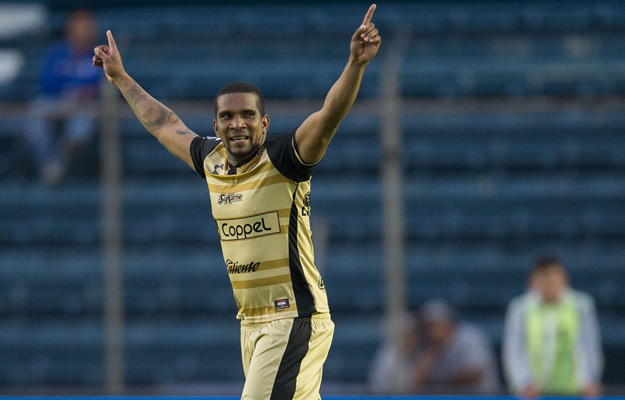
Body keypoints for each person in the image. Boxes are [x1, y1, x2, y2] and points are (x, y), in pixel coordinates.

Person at [92, 5, 380, 399]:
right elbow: (162, 124)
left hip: (292, 317)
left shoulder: (285, 160)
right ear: (216, 126)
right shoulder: (210, 160)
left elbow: (329, 116)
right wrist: (121, 77)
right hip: (250, 323)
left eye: (248, 115)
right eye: (227, 116)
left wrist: (355, 65)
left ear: (264, 123)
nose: (237, 123)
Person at [503, 256, 603, 397]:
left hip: (574, 392)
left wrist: (589, 380)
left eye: (553, 276)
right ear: (533, 281)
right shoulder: (520, 308)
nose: (549, 282)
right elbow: (514, 350)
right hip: (534, 394)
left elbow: (589, 346)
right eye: (543, 277)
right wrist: (524, 383)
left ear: (564, 279)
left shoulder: (581, 305)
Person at [25, 9, 103, 185]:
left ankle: (57, 166)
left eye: (86, 26)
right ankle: (49, 165)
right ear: (69, 28)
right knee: (36, 112)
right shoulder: (57, 52)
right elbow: (46, 82)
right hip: (57, 100)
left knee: (82, 123)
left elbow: (101, 83)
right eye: (78, 25)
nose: (82, 30)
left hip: (85, 104)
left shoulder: (100, 54)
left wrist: (81, 92)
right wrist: (68, 89)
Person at [410, 300, 500, 394]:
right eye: (427, 327)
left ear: (448, 322)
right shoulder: (427, 345)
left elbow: (475, 374)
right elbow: (416, 382)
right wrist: (430, 354)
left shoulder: (469, 337)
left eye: (435, 325)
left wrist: (443, 383)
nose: (431, 331)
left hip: (481, 396)